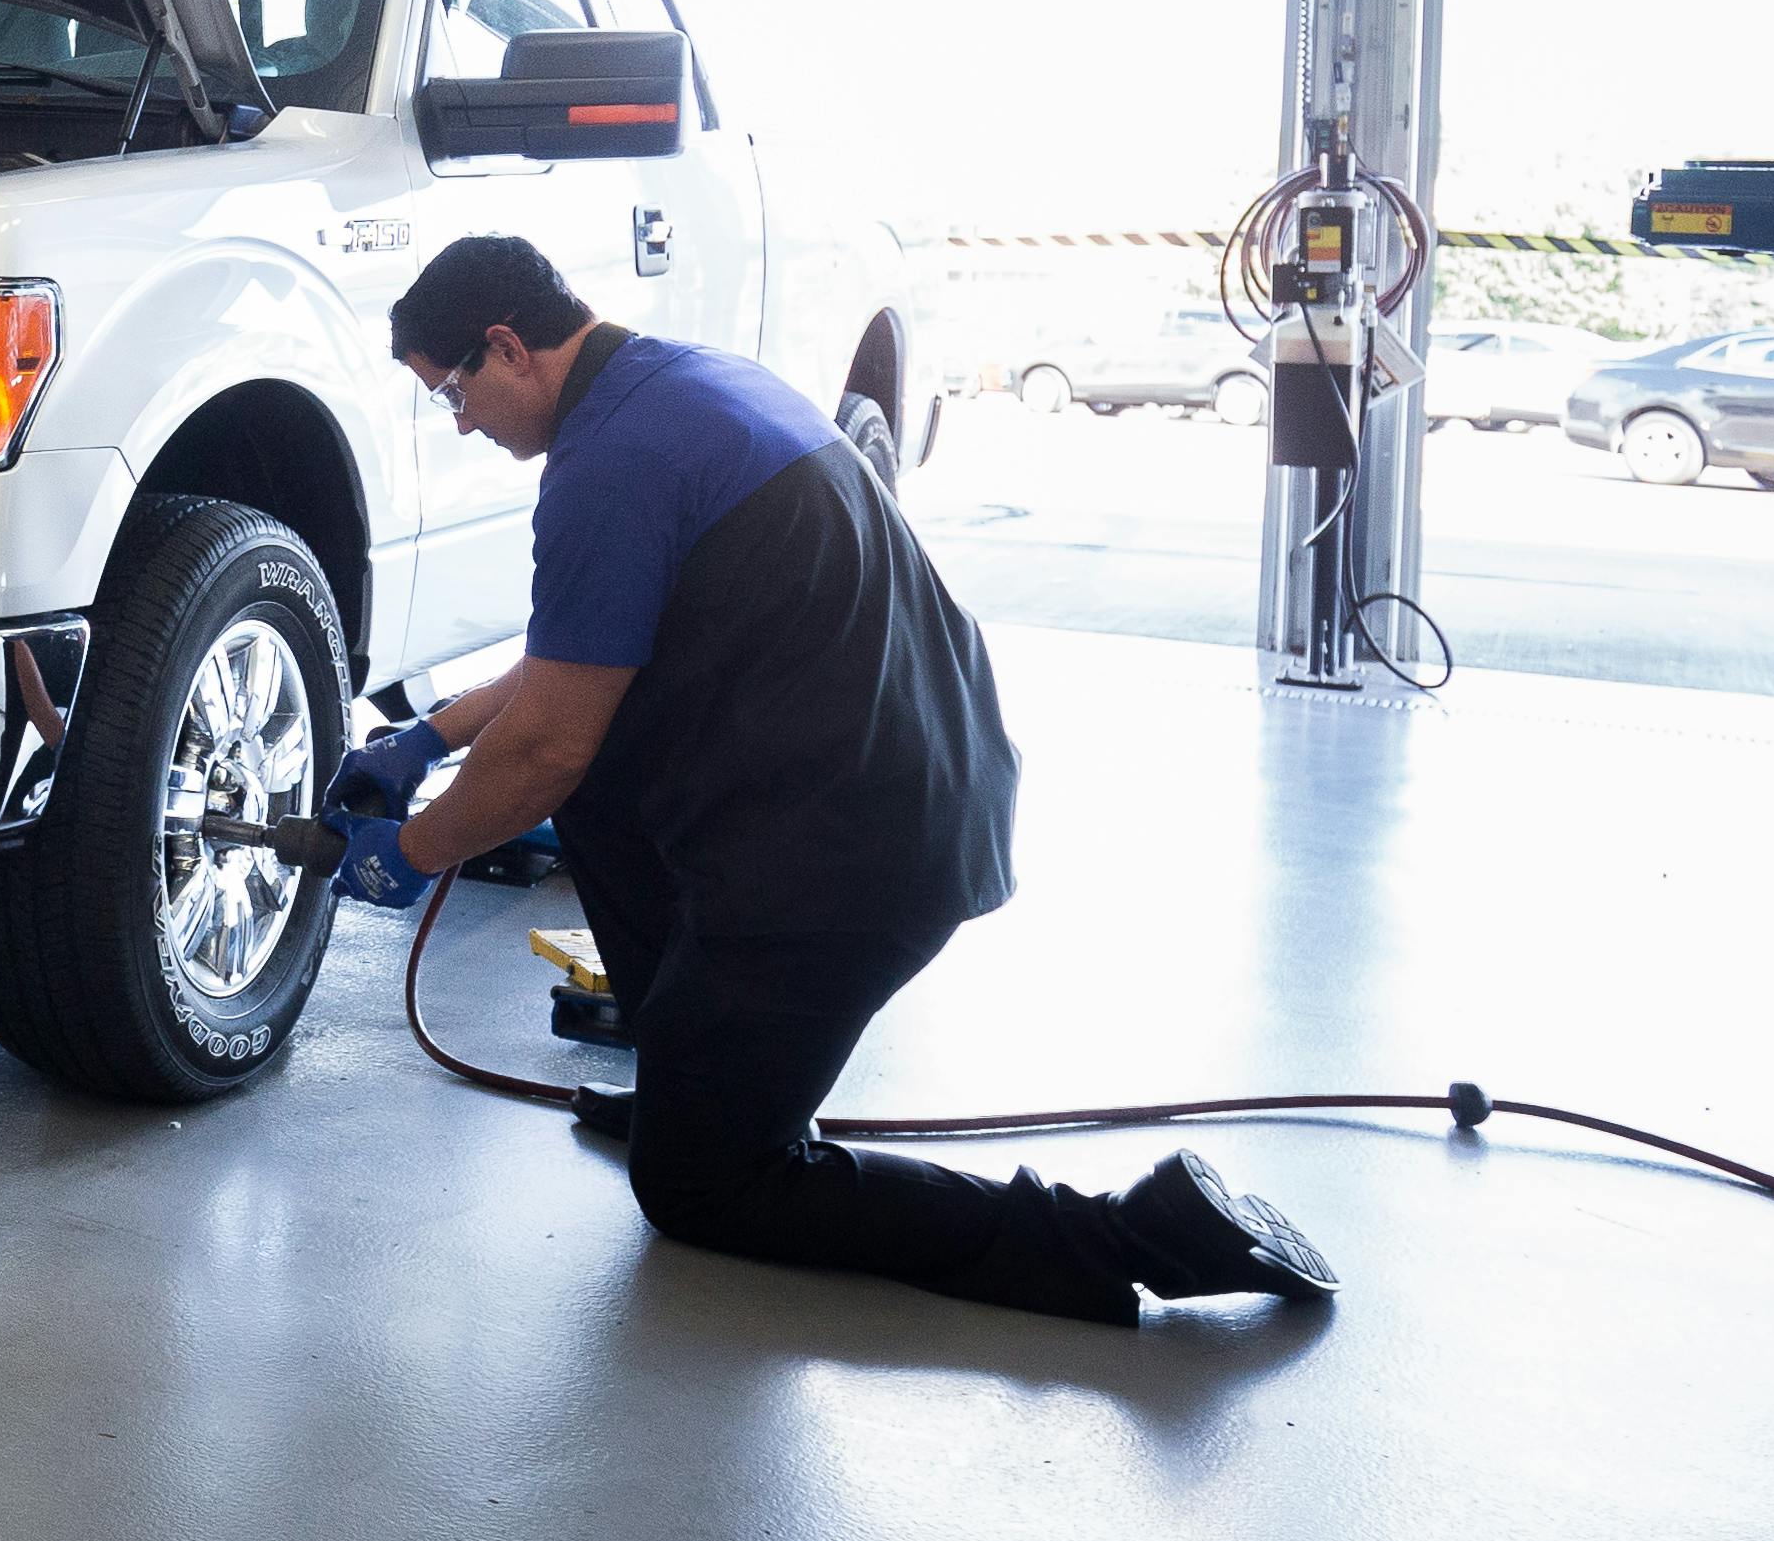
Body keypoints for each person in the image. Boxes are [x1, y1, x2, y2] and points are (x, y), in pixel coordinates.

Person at [339, 233, 1339, 1328]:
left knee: (701, 1189)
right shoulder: (679, 389)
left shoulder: (607, 469)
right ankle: (695, 1083)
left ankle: (1136, 1234)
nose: (463, 424)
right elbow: (579, 655)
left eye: (453, 394)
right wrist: (426, 737)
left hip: (849, 856)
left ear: (505, 347)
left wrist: (414, 852)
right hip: (912, 782)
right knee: (603, 783)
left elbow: (546, 747)